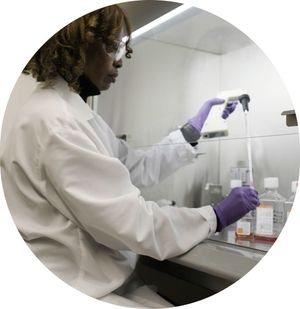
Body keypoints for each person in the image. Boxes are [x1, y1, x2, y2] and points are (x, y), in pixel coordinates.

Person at [0, 5, 259, 308]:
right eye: (112, 46)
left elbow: (132, 165)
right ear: (77, 42)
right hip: (82, 286)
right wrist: (215, 215)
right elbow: (136, 225)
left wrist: (191, 130)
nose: (119, 61)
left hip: (96, 281)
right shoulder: (57, 121)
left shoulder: (66, 111)